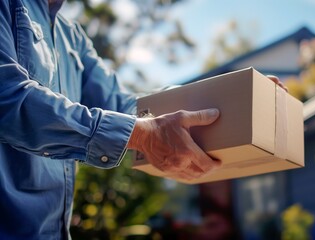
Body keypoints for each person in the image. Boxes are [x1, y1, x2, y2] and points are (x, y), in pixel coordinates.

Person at [0, 0, 284, 239]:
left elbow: (124, 104)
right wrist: (143, 135)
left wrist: (233, 100)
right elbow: (6, 98)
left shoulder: (71, 37)